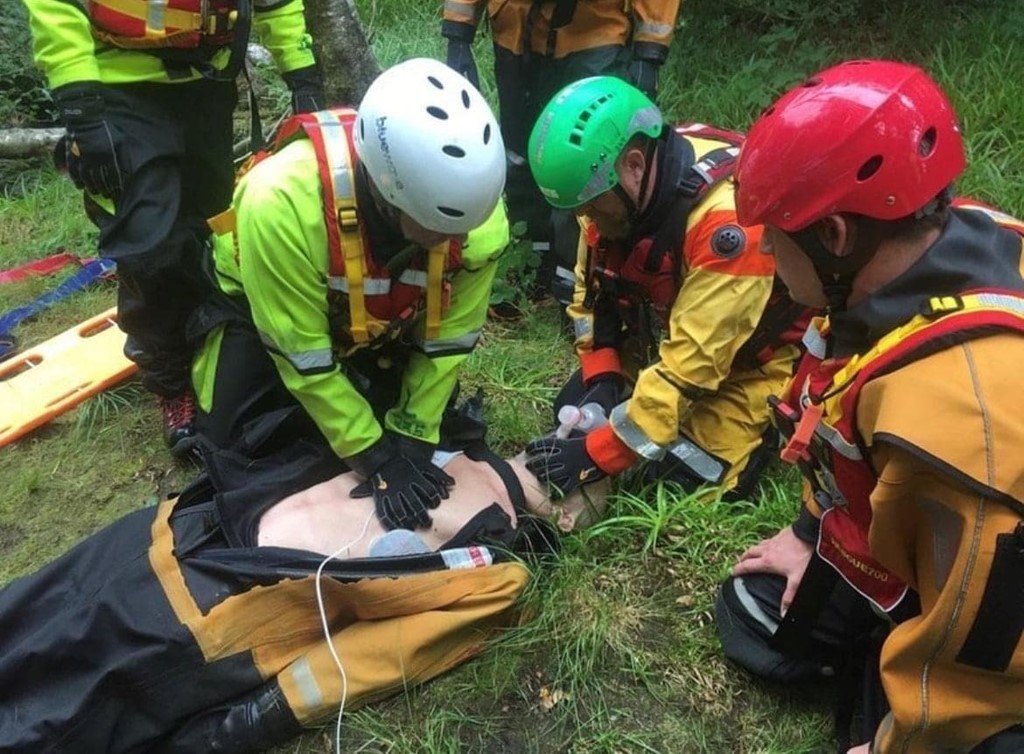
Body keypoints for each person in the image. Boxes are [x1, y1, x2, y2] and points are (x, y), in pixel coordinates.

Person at [0, 398, 610, 753]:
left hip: (194, 577)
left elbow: (377, 654)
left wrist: (249, 723)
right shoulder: (434, 428)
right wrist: (248, 725)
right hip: (192, 585)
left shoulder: (486, 553)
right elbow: (383, 656)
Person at [713, 59, 1024, 753]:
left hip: (1004, 617)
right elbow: (833, 422)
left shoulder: (955, 427)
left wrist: (902, 742)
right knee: (754, 613)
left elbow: (988, 651)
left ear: (834, 239)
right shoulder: (949, 241)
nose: (764, 252)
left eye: (775, 236)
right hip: (954, 552)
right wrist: (808, 532)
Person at [191, 58, 510, 534]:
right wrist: (375, 456)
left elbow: (448, 343)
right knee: (236, 439)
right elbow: (302, 355)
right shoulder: (281, 204)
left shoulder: (475, 217)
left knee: (413, 412)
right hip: (264, 308)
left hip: (377, 315)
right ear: (387, 196)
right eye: (440, 228)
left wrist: (414, 437)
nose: (455, 240)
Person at [22, 0, 325, 457]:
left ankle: (218, 348)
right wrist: (81, 106)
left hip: (207, 81)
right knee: (149, 245)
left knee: (214, 227)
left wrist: (301, 74)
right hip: (118, 90)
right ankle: (171, 379)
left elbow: (276, 3)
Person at [522, 76, 809, 503]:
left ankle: (767, 421)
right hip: (673, 331)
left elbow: (691, 367)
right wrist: (603, 375)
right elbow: (589, 296)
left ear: (634, 165)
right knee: (579, 401)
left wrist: (598, 453)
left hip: (746, 361)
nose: (585, 217)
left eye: (591, 204)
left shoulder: (728, 227)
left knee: (671, 483)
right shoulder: (611, 191)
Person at [441, 0, 683, 307]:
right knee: (518, 154)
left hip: (595, 30)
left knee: (587, 164)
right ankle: (529, 261)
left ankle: (577, 276)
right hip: (515, 27)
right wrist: (458, 31)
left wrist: (649, 53)